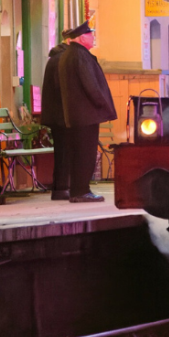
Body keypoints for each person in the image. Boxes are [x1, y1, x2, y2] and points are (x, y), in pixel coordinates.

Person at [56, 21, 116, 202]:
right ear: (82, 38)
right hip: (85, 114)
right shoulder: (80, 56)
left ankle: (78, 191)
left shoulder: (69, 55)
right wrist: (103, 104)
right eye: (90, 34)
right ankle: (81, 191)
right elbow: (90, 84)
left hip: (77, 114)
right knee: (85, 153)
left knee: (79, 153)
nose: (93, 37)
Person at [39, 41, 70, 201]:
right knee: (64, 152)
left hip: (56, 114)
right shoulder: (61, 60)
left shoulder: (56, 58)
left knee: (62, 151)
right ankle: (62, 188)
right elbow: (62, 89)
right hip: (61, 115)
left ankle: (60, 187)